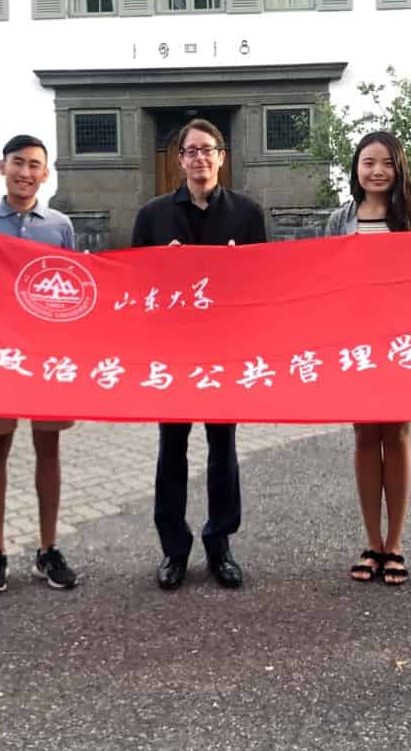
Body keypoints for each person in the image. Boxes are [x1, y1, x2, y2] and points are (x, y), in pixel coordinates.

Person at [131, 118, 267, 591]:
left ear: (222, 157)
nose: (199, 158)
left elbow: (263, 286)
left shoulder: (248, 214)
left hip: (225, 351)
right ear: (180, 160)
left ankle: (220, 545)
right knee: (171, 450)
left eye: (208, 150)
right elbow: (135, 289)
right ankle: (173, 550)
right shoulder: (152, 215)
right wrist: (162, 271)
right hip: (173, 352)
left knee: (222, 450)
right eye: (190, 151)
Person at [0, 134, 81, 594]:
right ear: (2, 167)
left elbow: (76, 288)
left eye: (35, 165)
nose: (26, 172)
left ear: (45, 173)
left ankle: (47, 548)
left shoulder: (59, 225)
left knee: (48, 449)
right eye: (18, 163)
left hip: (48, 355)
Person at [323, 131, 411, 587]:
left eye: (386, 162)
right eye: (368, 162)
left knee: (399, 435)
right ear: (356, 168)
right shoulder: (339, 220)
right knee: (366, 436)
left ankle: (396, 544)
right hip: (355, 346)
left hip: (402, 345)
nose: (377, 171)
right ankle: (372, 542)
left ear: (398, 167)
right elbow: (324, 279)